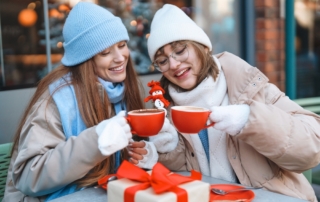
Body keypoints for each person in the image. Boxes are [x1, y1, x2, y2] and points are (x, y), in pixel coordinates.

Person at [146, 4, 320, 202]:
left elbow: (312, 148)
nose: (174, 64)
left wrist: (249, 119)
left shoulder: (249, 86)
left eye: (179, 51)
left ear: (202, 47)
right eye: (162, 60)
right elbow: (182, 177)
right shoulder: (165, 108)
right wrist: (168, 149)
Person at [3, 2, 168, 201]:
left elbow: (115, 169)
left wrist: (143, 156)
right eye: (105, 53)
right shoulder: (55, 100)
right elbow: (28, 177)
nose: (120, 58)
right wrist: (94, 142)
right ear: (86, 60)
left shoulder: (121, 89)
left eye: (122, 45)